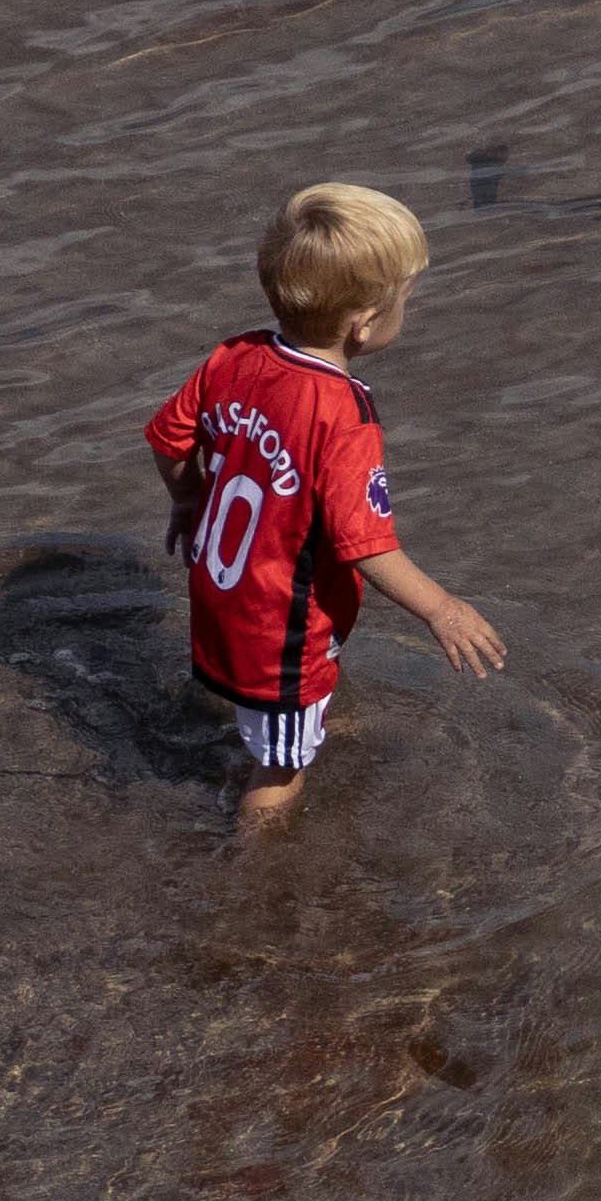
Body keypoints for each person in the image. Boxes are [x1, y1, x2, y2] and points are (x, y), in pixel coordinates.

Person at [145, 180, 506, 823]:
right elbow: (363, 543)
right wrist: (442, 609)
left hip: (220, 590)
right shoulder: (344, 414)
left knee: (270, 723)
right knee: (281, 768)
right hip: (278, 625)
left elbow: (170, 439)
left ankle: (275, 732)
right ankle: (255, 887)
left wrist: (188, 498)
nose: (407, 312)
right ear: (364, 323)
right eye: (404, 302)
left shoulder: (235, 356)